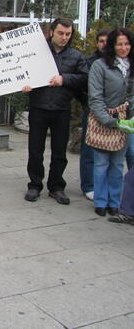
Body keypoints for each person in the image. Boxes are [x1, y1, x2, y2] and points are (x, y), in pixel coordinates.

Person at [23, 18, 88, 205]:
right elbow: (22, 71)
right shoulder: (37, 52)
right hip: (39, 107)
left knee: (59, 151)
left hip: (61, 109)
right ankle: (34, 185)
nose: (64, 37)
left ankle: (56, 187)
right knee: (35, 150)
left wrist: (64, 79)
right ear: (52, 32)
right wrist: (24, 84)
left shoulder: (76, 56)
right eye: (60, 33)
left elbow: (85, 78)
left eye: (68, 34)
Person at [88, 28, 134, 216]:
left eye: (127, 44)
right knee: (101, 163)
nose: (123, 48)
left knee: (117, 164)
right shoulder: (100, 66)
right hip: (103, 120)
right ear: (112, 46)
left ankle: (114, 202)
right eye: (119, 44)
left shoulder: (131, 66)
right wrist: (109, 120)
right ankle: (100, 201)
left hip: (124, 120)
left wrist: (129, 118)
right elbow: (95, 98)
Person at [79, 29, 110, 200]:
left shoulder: (120, 62)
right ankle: (89, 185)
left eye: (107, 41)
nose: (104, 44)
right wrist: (88, 103)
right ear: (97, 43)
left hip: (114, 113)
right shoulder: (90, 62)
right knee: (89, 150)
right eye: (101, 41)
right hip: (92, 111)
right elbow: (82, 86)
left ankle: (107, 185)